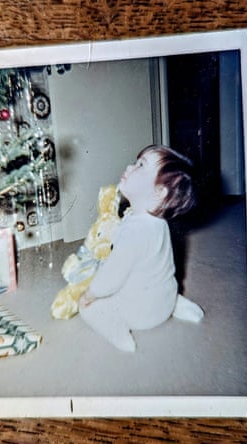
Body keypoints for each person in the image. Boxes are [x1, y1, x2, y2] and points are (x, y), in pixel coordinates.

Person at [78, 144, 201, 352]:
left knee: (87, 307)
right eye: (136, 162)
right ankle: (175, 304)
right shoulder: (159, 223)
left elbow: (111, 278)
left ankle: (118, 332)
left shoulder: (135, 230)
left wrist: (89, 294)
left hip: (140, 315)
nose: (129, 166)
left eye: (141, 165)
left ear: (159, 192)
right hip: (164, 299)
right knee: (155, 276)